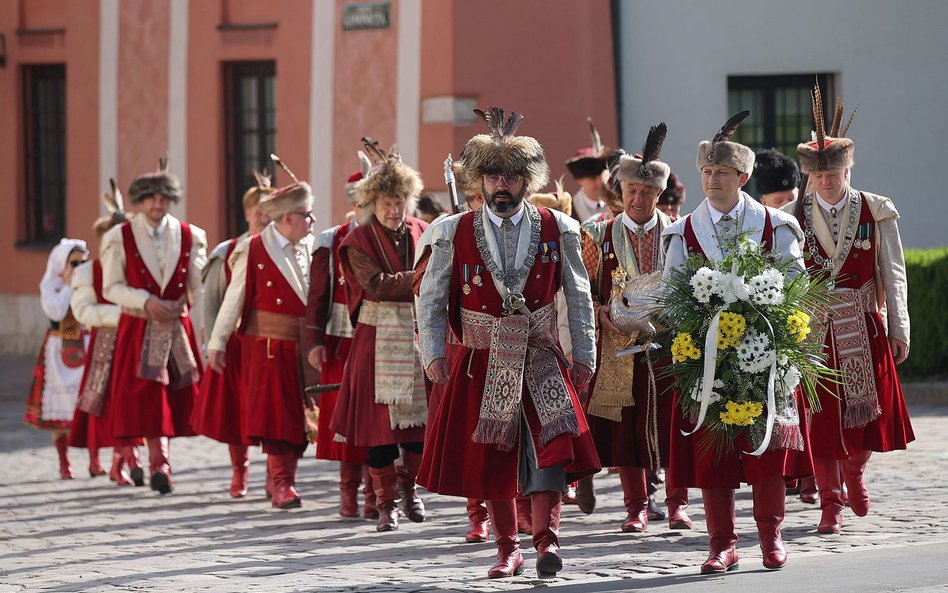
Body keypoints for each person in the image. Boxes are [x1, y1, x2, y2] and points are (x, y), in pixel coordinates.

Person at [417, 107, 600, 579]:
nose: (503, 185)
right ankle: (506, 548)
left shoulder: (560, 228)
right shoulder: (450, 231)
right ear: (479, 180)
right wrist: (433, 352)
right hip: (480, 359)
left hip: (540, 354)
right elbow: (432, 297)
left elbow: (577, 297)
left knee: (550, 448)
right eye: (493, 176)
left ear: (528, 180)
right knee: (491, 457)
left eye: (512, 176)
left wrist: (584, 354)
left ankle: (547, 543)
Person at [662, 111, 811, 573]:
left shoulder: (774, 225)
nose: (711, 180)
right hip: (706, 356)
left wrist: (773, 326)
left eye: (721, 173)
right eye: (706, 172)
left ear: (743, 177)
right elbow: (671, 294)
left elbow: (795, 284)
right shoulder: (684, 231)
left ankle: (770, 537)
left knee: (768, 450)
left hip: (763, 351)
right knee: (713, 453)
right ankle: (721, 543)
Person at [792, 87, 914, 535]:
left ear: (848, 168)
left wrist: (898, 325)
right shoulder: (792, 216)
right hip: (813, 332)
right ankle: (830, 502)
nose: (827, 181)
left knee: (867, 413)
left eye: (835, 172)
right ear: (810, 175)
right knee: (820, 421)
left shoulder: (875, 209)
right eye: (820, 175)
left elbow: (894, 272)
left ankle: (856, 474)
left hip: (864, 325)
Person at [581, 124, 692, 533]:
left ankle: (678, 502)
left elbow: (695, 285)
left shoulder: (680, 234)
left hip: (670, 341)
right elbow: (580, 290)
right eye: (631, 191)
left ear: (659, 194)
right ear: (620, 191)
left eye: (646, 192)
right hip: (618, 343)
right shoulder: (597, 234)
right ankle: (635, 507)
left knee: (673, 423)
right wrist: (597, 311)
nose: (638, 198)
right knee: (627, 428)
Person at [330, 140, 429, 532]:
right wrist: (423, 278)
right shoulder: (357, 242)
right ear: (373, 203)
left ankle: (410, 489)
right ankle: (385, 504)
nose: (394, 209)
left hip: (419, 335)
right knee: (379, 432)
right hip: (376, 340)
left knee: (419, 431)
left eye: (400, 200)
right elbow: (377, 285)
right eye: (387, 201)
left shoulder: (424, 230)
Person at [207, 159, 315, 509]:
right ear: (288, 218)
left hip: (302, 347)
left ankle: (279, 479)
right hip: (266, 348)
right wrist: (217, 342)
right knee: (277, 418)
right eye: (307, 215)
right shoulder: (251, 249)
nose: (312, 221)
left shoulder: (310, 246)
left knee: (300, 418)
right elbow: (233, 299)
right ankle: (282, 483)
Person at [101, 159, 208, 495]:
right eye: (150, 198)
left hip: (177, 328)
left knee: (173, 396)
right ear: (140, 202)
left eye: (163, 198)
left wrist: (196, 316)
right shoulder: (120, 237)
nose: (157, 204)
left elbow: (200, 286)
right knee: (145, 397)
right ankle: (156, 462)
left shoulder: (192, 235)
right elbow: (110, 287)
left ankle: (161, 462)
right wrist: (145, 300)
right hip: (139, 327)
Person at [191, 171, 273, 498]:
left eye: (270, 211)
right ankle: (240, 471)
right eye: (259, 212)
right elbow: (211, 302)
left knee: (271, 412)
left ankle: (276, 475)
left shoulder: (286, 250)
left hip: (270, 342)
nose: (264, 217)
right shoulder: (226, 252)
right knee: (237, 414)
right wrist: (216, 343)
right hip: (237, 344)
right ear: (247, 213)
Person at [304, 161, 376, 519]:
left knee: (378, 421)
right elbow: (317, 295)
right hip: (340, 339)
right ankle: (348, 492)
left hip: (381, 338)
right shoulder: (330, 239)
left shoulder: (388, 238)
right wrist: (314, 341)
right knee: (346, 421)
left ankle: (376, 494)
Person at [68, 182, 144, 487]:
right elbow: (83, 312)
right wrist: (121, 315)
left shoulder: (139, 271)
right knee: (106, 404)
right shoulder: (88, 272)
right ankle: (120, 460)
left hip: (135, 343)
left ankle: (123, 462)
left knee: (136, 402)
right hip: (106, 345)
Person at [24, 239, 90, 479]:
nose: (80, 267)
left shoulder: (89, 285)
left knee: (89, 402)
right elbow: (57, 312)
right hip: (58, 349)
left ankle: (94, 461)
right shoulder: (50, 288)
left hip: (85, 345)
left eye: (84, 262)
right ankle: (65, 463)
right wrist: (71, 286)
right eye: (74, 263)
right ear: (62, 264)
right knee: (60, 406)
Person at [565, 118, 611, 223]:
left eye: (602, 177)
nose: (599, 183)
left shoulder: (616, 206)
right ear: (579, 180)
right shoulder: (570, 210)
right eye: (593, 178)